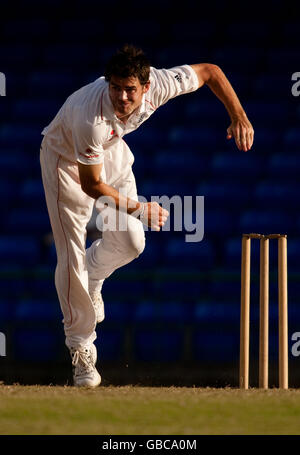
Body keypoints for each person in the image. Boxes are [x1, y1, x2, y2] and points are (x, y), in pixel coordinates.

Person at [40, 44, 254, 387]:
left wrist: (238, 115)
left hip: (110, 153)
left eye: (130, 90)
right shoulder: (89, 117)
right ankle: (81, 348)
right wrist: (140, 207)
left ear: (147, 86)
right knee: (70, 253)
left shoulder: (162, 83)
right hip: (64, 160)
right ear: (108, 83)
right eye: (115, 88)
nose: (122, 97)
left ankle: (95, 275)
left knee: (131, 242)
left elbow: (211, 71)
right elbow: (92, 185)